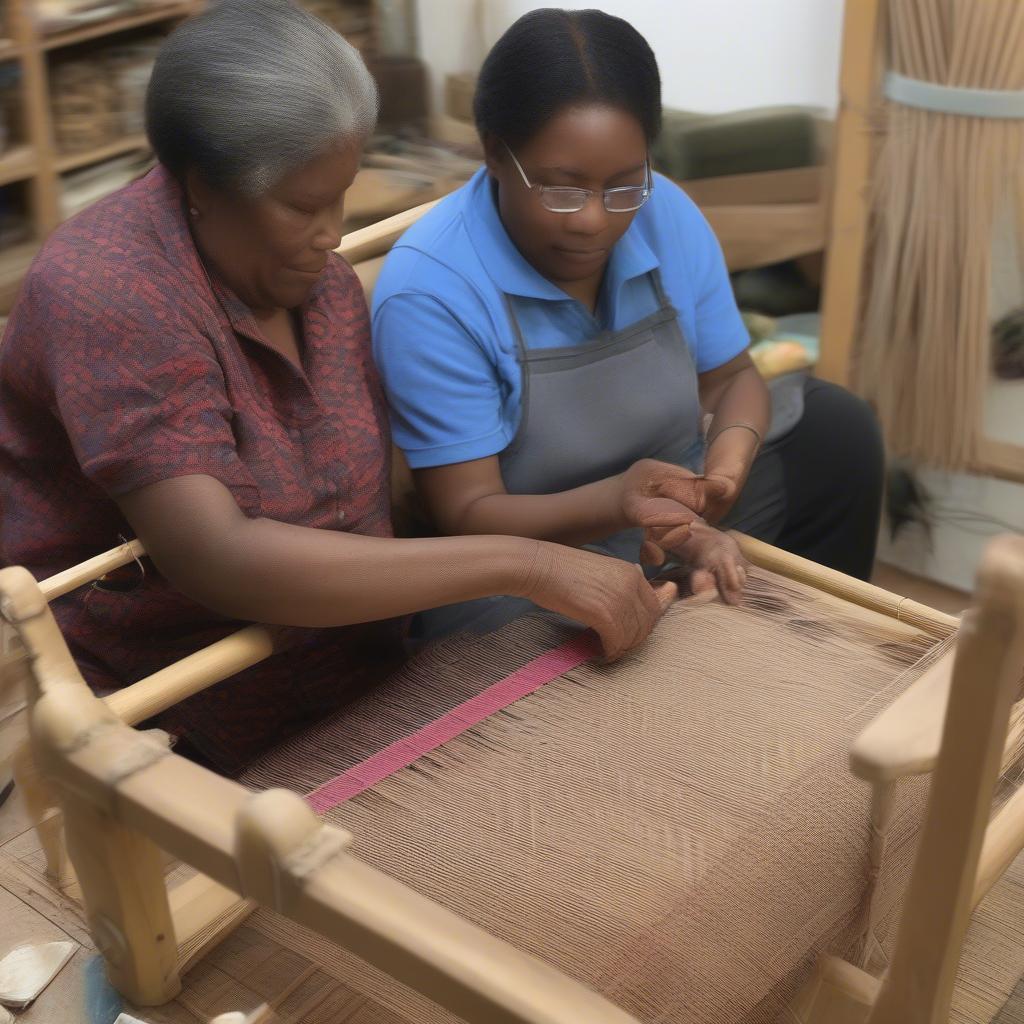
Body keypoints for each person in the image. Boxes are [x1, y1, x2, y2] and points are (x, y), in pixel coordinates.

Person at [0, 0, 687, 775]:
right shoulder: (114, 292)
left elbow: (367, 511)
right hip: (175, 711)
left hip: (362, 672)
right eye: (301, 205)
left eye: (341, 194)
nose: (332, 234)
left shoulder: (317, 287)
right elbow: (217, 557)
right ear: (201, 184)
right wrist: (528, 564)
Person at [371, 7, 885, 643]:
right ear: (495, 154)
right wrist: (619, 504)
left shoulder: (664, 209)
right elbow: (469, 514)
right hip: (523, 561)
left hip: (664, 508)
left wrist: (724, 471)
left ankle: (801, 651)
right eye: (562, 189)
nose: (593, 220)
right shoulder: (430, 289)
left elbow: (731, 380)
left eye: (622, 186)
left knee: (835, 430)